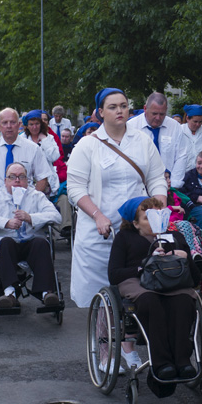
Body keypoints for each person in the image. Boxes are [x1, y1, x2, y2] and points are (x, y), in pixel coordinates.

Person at [67, 88, 167, 307]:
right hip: (99, 233)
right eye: (112, 107)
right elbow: (75, 188)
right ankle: (103, 339)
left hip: (136, 231)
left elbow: (157, 178)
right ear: (100, 112)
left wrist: (159, 210)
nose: (119, 111)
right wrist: (97, 216)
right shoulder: (87, 145)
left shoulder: (143, 141)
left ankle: (128, 340)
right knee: (100, 298)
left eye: (123, 105)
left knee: (138, 290)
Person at [109, 196, 202, 388]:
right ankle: (161, 364)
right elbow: (114, 274)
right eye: (147, 218)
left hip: (171, 281)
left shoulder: (175, 237)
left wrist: (186, 258)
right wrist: (143, 266)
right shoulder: (125, 238)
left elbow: (195, 279)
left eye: (158, 215)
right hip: (137, 280)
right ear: (135, 223)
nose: (154, 221)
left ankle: (183, 361)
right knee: (150, 301)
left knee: (184, 301)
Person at [0, 162, 62, 308]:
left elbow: (56, 217)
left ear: (28, 180)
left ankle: (46, 293)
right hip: (7, 244)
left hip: (30, 241)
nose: (17, 180)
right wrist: (5, 222)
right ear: (5, 180)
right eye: (12, 177)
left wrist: (31, 218)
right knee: (5, 242)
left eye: (21, 177)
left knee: (41, 243)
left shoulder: (36, 196)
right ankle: (10, 293)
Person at [0, 108, 54, 198]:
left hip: (25, 201)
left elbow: (42, 178)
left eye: (12, 122)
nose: (9, 126)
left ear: (19, 125)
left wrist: (32, 200)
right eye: (5, 123)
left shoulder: (33, 148)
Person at [126, 92, 191, 189]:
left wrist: (174, 184)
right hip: (138, 186)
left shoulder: (175, 127)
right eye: (154, 113)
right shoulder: (131, 127)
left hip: (168, 186)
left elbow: (181, 156)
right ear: (145, 109)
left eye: (162, 114)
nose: (158, 118)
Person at [22, 109, 63, 196]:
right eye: (31, 124)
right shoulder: (22, 139)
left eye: (37, 124)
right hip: (27, 180)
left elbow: (54, 157)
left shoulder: (49, 138)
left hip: (46, 182)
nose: (34, 127)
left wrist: (44, 140)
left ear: (41, 124)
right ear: (27, 126)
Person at [182, 150, 202, 246]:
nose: (201, 166)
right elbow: (182, 194)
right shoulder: (189, 176)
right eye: (199, 163)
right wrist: (197, 198)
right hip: (195, 207)